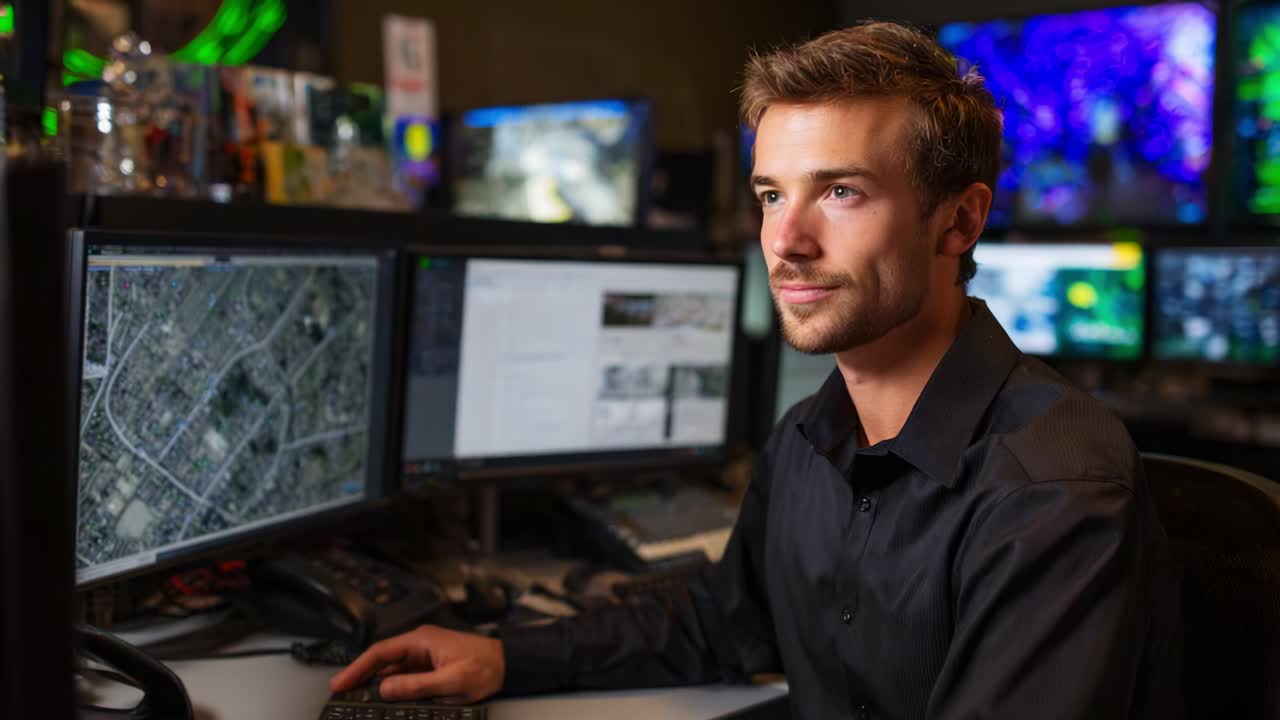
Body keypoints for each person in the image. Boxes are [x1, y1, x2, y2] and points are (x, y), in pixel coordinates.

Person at [331, 21, 1183, 719]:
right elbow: (720, 622)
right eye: (772, 194)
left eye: (840, 192)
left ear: (958, 223)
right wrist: (502, 656)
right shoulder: (810, 438)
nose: (785, 241)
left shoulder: (1052, 489)